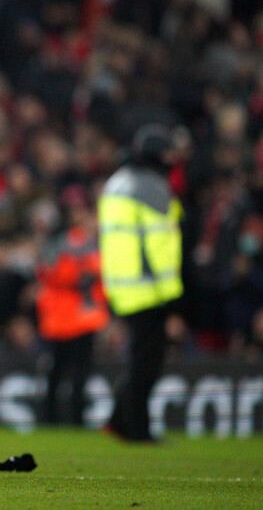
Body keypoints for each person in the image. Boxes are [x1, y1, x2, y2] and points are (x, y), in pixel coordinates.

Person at [98, 124, 183, 442]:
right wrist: (171, 297)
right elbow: (159, 247)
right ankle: (136, 430)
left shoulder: (117, 183)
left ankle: (119, 420)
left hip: (120, 286)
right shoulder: (152, 187)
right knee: (147, 364)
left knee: (139, 360)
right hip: (148, 289)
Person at [35, 184, 110, 426]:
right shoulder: (71, 243)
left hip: (76, 317)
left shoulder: (82, 243)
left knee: (68, 372)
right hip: (70, 317)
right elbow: (50, 273)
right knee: (69, 372)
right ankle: (61, 419)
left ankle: (57, 419)